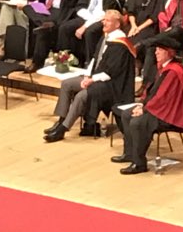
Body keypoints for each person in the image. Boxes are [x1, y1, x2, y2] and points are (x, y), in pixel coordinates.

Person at [43, 10, 136, 142]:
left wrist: (91, 80)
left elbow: (111, 72)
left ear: (117, 24)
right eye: (104, 19)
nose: (103, 22)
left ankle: (63, 129)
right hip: (96, 77)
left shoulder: (120, 44)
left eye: (108, 20)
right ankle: (61, 121)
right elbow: (95, 58)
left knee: (82, 95)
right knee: (67, 84)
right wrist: (87, 75)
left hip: (112, 85)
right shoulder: (106, 37)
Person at [111, 29, 183, 174]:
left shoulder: (174, 72)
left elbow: (163, 97)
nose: (155, 53)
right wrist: (142, 104)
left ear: (169, 52)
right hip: (158, 109)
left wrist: (144, 109)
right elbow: (153, 92)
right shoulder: (164, 68)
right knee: (126, 114)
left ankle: (139, 164)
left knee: (137, 122)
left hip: (170, 114)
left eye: (159, 50)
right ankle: (130, 154)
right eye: (156, 49)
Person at [24, 0, 88, 72]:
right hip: (49, 9)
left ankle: (36, 62)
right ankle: (45, 22)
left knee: (43, 33)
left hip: (63, 10)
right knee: (29, 7)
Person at [56, 0, 125, 64]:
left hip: (103, 20)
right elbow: (80, 6)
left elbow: (105, 14)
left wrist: (85, 26)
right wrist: (87, 18)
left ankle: (90, 63)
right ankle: (66, 60)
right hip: (87, 16)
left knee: (90, 32)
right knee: (65, 28)